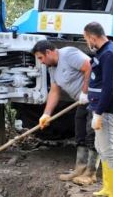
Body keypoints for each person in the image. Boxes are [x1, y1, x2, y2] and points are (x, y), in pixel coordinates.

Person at [33, 40, 96, 185]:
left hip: (94, 98)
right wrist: (46, 114)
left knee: (91, 133)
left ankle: (90, 173)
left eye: (41, 58)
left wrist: (85, 92)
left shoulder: (68, 54)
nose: (41, 62)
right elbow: (55, 91)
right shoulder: (52, 67)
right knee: (80, 132)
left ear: (48, 52)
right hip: (82, 101)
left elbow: (89, 67)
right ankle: (79, 169)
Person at [82, 21, 113, 197]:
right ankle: (108, 187)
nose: (87, 43)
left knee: (108, 149)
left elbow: (109, 86)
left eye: (86, 39)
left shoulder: (109, 54)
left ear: (93, 37)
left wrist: (99, 112)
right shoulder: (105, 52)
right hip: (101, 108)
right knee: (101, 147)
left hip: (108, 111)